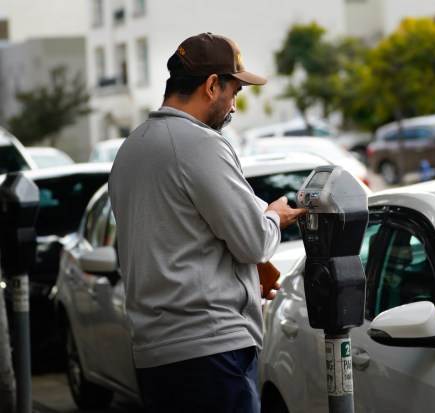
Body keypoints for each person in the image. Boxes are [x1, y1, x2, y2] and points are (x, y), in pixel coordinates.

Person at [108, 32, 307, 413]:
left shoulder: (131, 149)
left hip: (154, 355)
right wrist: (274, 217)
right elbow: (252, 240)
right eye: (234, 92)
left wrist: (246, 273)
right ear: (212, 85)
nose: (234, 105)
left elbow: (175, 239)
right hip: (211, 352)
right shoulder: (199, 143)